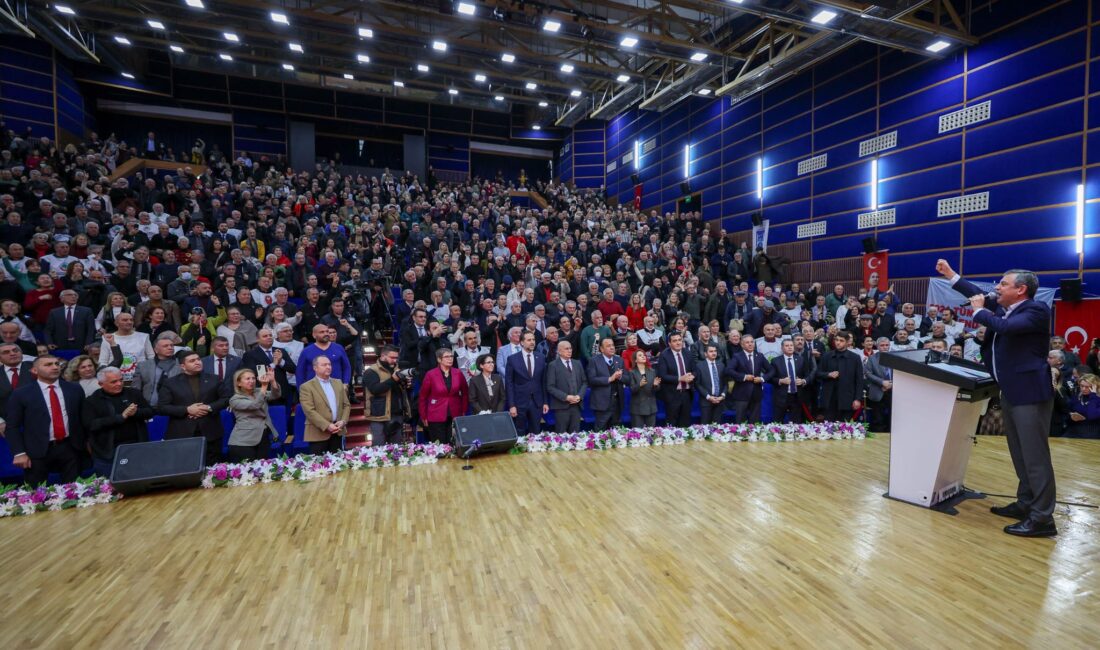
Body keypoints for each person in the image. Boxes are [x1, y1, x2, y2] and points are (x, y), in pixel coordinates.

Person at [937, 259, 1057, 537]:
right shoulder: (1006, 308)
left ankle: (1042, 518)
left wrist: (979, 311)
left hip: (1030, 395)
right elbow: (974, 292)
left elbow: (1005, 328)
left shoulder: (1035, 310)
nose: (996, 288)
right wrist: (952, 275)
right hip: (1013, 393)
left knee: (1035, 458)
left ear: (1021, 289)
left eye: (1003, 284)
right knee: (1020, 454)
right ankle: (1026, 503)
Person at [6, 355, 86, 485]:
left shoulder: (74, 389)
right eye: (48, 365)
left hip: (70, 447)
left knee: (76, 491)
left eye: (56, 364)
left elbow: (82, 419)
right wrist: (19, 453)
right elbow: (12, 426)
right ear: (34, 371)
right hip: (37, 450)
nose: (55, 367)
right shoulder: (21, 393)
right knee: (36, 494)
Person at [157, 350, 232, 466]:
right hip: (182, 433)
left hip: (211, 432)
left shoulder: (214, 379)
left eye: (198, 359)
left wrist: (208, 407)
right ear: (183, 366)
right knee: (185, 468)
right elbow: (162, 407)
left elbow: (226, 399)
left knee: (212, 469)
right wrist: (187, 410)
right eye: (192, 361)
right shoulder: (170, 383)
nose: (197, 362)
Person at [82, 367, 153, 476]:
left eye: (121, 380)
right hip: (108, 451)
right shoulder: (92, 401)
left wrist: (136, 413)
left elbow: (150, 411)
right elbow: (91, 425)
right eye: (113, 382)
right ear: (101, 384)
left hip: (137, 446)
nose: (119, 384)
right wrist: (121, 417)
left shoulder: (133, 393)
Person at [298, 356, 351, 454]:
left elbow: (346, 405)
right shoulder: (306, 387)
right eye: (324, 365)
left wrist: (343, 421)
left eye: (329, 364)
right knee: (320, 466)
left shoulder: (338, 383)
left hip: (337, 431)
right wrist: (327, 425)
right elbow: (309, 411)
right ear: (315, 368)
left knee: (338, 464)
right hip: (318, 433)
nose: (328, 367)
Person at [227, 367, 281, 462]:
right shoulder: (235, 399)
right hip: (243, 442)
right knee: (248, 473)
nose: (252, 381)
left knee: (262, 470)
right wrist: (264, 386)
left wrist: (272, 381)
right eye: (247, 379)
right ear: (238, 383)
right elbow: (255, 405)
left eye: (253, 378)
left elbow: (275, 395)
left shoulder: (258, 392)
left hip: (263, 437)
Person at [363, 345, 413, 445]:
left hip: (397, 413)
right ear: (383, 356)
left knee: (396, 449)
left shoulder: (398, 369)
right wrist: (393, 379)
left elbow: (401, 391)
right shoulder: (371, 371)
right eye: (392, 357)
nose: (395, 360)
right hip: (379, 415)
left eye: (396, 358)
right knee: (379, 448)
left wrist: (407, 385)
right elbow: (375, 389)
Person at [418, 348, 469, 444]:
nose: (450, 359)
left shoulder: (457, 373)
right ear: (439, 359)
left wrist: (463, 411)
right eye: (446, 357)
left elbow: (465, 393)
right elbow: (423, 397)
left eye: (451, 356)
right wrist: (424, 416)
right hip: (436, 414)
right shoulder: (431, 374)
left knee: (454, 443)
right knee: (439, 446)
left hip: (455, 413)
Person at [815, 331, 865, 422]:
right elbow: (817, 373)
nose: (838, 342)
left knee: (845, 429)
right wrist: (828, 374)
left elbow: (859, 380)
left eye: (841, 340)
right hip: (829, 399)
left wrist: (858, 399)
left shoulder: (855, 358)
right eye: (836, 340)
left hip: (848, 399)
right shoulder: (827, 356)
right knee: (829, 428)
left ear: (847, 342)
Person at [505, 331, 548, 435]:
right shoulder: (512, 359)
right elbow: (509, 384)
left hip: (537, 402)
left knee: (536, 431)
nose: (532, 342)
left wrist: (545, 402)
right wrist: (511, 405)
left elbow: (543, 382)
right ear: (522, 343)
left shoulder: (541, 358)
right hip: (519, 402)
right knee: (519, 431)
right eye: (529, 340)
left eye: (533, 340)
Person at [241, 328, 297, 405]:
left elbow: (293, 369)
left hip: (283, 393)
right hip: (263, 394)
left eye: (270, 335)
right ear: (258, 339)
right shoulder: (250, 354)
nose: (269, 337)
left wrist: (281, 361)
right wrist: (273, 364)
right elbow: (254, 372)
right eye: (265, 336)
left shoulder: (281, 351)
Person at [725, 334, 771, 423]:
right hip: (741, 393)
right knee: (740, 421)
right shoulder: (737, 356)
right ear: (742, 345)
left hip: (756, 393)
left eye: (752, 342)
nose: (750, 344)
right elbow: (728, 370)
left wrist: (762, 378)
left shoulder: (760, 356)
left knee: (755, 421)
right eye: (747, 342)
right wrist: (744, 377)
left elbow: (771, 370)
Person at [98, 312, 154, 382]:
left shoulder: (144, 337)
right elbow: (103, 361)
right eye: (125, 320)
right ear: (116, 323)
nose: (129, 322)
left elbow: (151, 358)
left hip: (139, 378)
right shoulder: (108, 338)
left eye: (131, 320)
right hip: (116, 380)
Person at [544, 341, 586, 433]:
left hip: (576, 406)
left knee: (575, 435)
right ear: (559, 351)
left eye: (570, 348)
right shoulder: (553, 365)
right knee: (561, 435)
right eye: (566, 349)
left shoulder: (577, 363)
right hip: (561, 407)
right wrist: (566, 397)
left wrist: (579, 396)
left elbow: (584, 382)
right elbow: (550, 387)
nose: (569, 350)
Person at [656, 332, 695, 427]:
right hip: (672, 394)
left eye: (679, 340)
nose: (678, 343)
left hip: (687, 393)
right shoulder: (664, 355)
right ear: (669, 343)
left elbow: (695, 370)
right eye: (674, 341)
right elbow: (662, 375)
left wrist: (692, 376)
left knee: (685, 423)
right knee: (672, 424)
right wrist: (680, 378)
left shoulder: (688, 353)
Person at [131, 335, 183, 405]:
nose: (170, 348)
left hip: (175, 406)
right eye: (165, 346)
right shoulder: (143, 365)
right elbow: (135, 389)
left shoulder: (182, 364)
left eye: (172, 345)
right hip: (149, 406)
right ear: (156, 350)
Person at [588, 337, 625, 432]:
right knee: (600, 431)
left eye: (612, 345)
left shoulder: (619, 360)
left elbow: (627, 378)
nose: (612, 347)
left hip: (617, 402)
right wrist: (609, 379)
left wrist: (620, 377)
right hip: (602, 402)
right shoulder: (594, 360)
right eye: (608, 346)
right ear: (601, 349)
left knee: (616, 432)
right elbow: (591, 380)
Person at [770, 339, 808, 424]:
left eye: (791, 345)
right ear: (782, 348)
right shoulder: (775, 361)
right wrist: (780, 380)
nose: (790, 347)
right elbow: (770, 378)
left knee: (796, 422)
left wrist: (803, 381)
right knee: (778, 421)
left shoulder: (801, 359)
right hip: (782, 395)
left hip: (796, 396)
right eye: (787, 346)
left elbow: (807, 375)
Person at [863, 337, 894, 432]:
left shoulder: (896, 357)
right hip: (878, 390)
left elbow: (900, 372)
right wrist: (882, 382)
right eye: (882, 345)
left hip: (894, 390)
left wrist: (892, 383)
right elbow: (868, 374)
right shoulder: (872, 358)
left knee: (893, 416)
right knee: (878, 417)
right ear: (877, 346)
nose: (885, 347)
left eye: (887, 345)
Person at [694, 344, 726, 425]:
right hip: (706, 401)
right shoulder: (699, 366)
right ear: (705, 354)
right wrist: (708, 396)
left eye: (715, 351)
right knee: (705, 426)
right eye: (711, 351)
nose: (714, 353)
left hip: (719, 401)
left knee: (717, 426)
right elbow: (697, 384)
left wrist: (722, 396)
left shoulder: (721, 365)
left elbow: (725, 383)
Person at [627, 349, 659, 427]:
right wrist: (639, 385)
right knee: (637, 435)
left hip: (651, 407)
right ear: (635, 360)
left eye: (644, 355)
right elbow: (631, 389)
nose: (643, 356)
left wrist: (655, 385)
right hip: (637, 408)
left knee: (651, 434)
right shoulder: (632, 372)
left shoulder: (652, 371)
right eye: (640, 355)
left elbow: (657, 390)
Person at [0, 341, 33, 417]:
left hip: (37, 417)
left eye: (15, 351)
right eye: (6, 352)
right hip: (7, 421)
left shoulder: (36, 367)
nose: (12, 353)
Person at [1066, 374, 1100, 438]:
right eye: (1082, 386)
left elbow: (1092, 415)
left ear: (1095, 387)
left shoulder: (1097, 399)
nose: (1083, 389)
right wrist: (1071, 417)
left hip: (1093, 432)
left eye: (1087, 387)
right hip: (1074, 431)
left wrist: (1093, 395)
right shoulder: (1076, 397)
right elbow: (1067, 413)